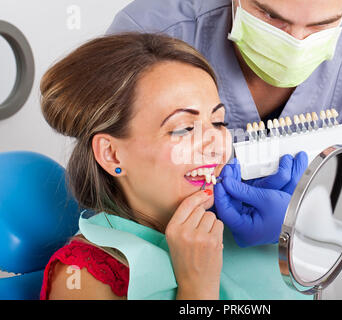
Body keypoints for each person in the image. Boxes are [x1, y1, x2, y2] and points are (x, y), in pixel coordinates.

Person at [107, 0, 342, 277]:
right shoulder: (152, 32)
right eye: (271, 16)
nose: (296, 42)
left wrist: (303, 229)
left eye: (322, 24)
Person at [39, 33, 307, 300]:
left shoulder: (238, 227)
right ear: (112, 155)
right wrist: (196, 287)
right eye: (184, 128)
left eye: (218, 122)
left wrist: (297, 240)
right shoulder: (81, 277)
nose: (214, 143)